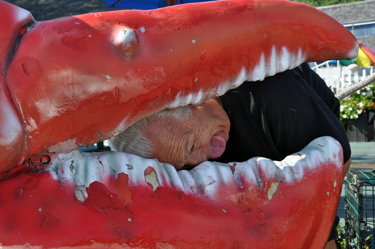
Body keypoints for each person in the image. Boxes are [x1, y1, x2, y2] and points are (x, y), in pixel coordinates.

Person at [110, 63, 351, 249]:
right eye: (182, 165)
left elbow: (338, 167)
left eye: (192, 144)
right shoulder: (178, 147)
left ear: (196, 99)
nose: (199, 161)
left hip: (304, 145)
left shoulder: (273, 96)